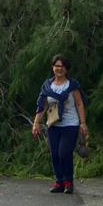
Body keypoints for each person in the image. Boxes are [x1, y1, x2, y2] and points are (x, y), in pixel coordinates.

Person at [31, 54, 89, 194]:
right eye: (56, 66)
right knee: (55, 154)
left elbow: (80, 103)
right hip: (53, 125)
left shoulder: (72, 85)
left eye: (62, 66)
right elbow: (42, 106)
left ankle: (68, 182)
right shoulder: (47, 86)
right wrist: (36, 123)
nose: (59, 69)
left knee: (64, 153)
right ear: (52, 68)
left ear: (66, 69)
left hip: (70, 124)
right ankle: (59, 183)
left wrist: (83, 123)